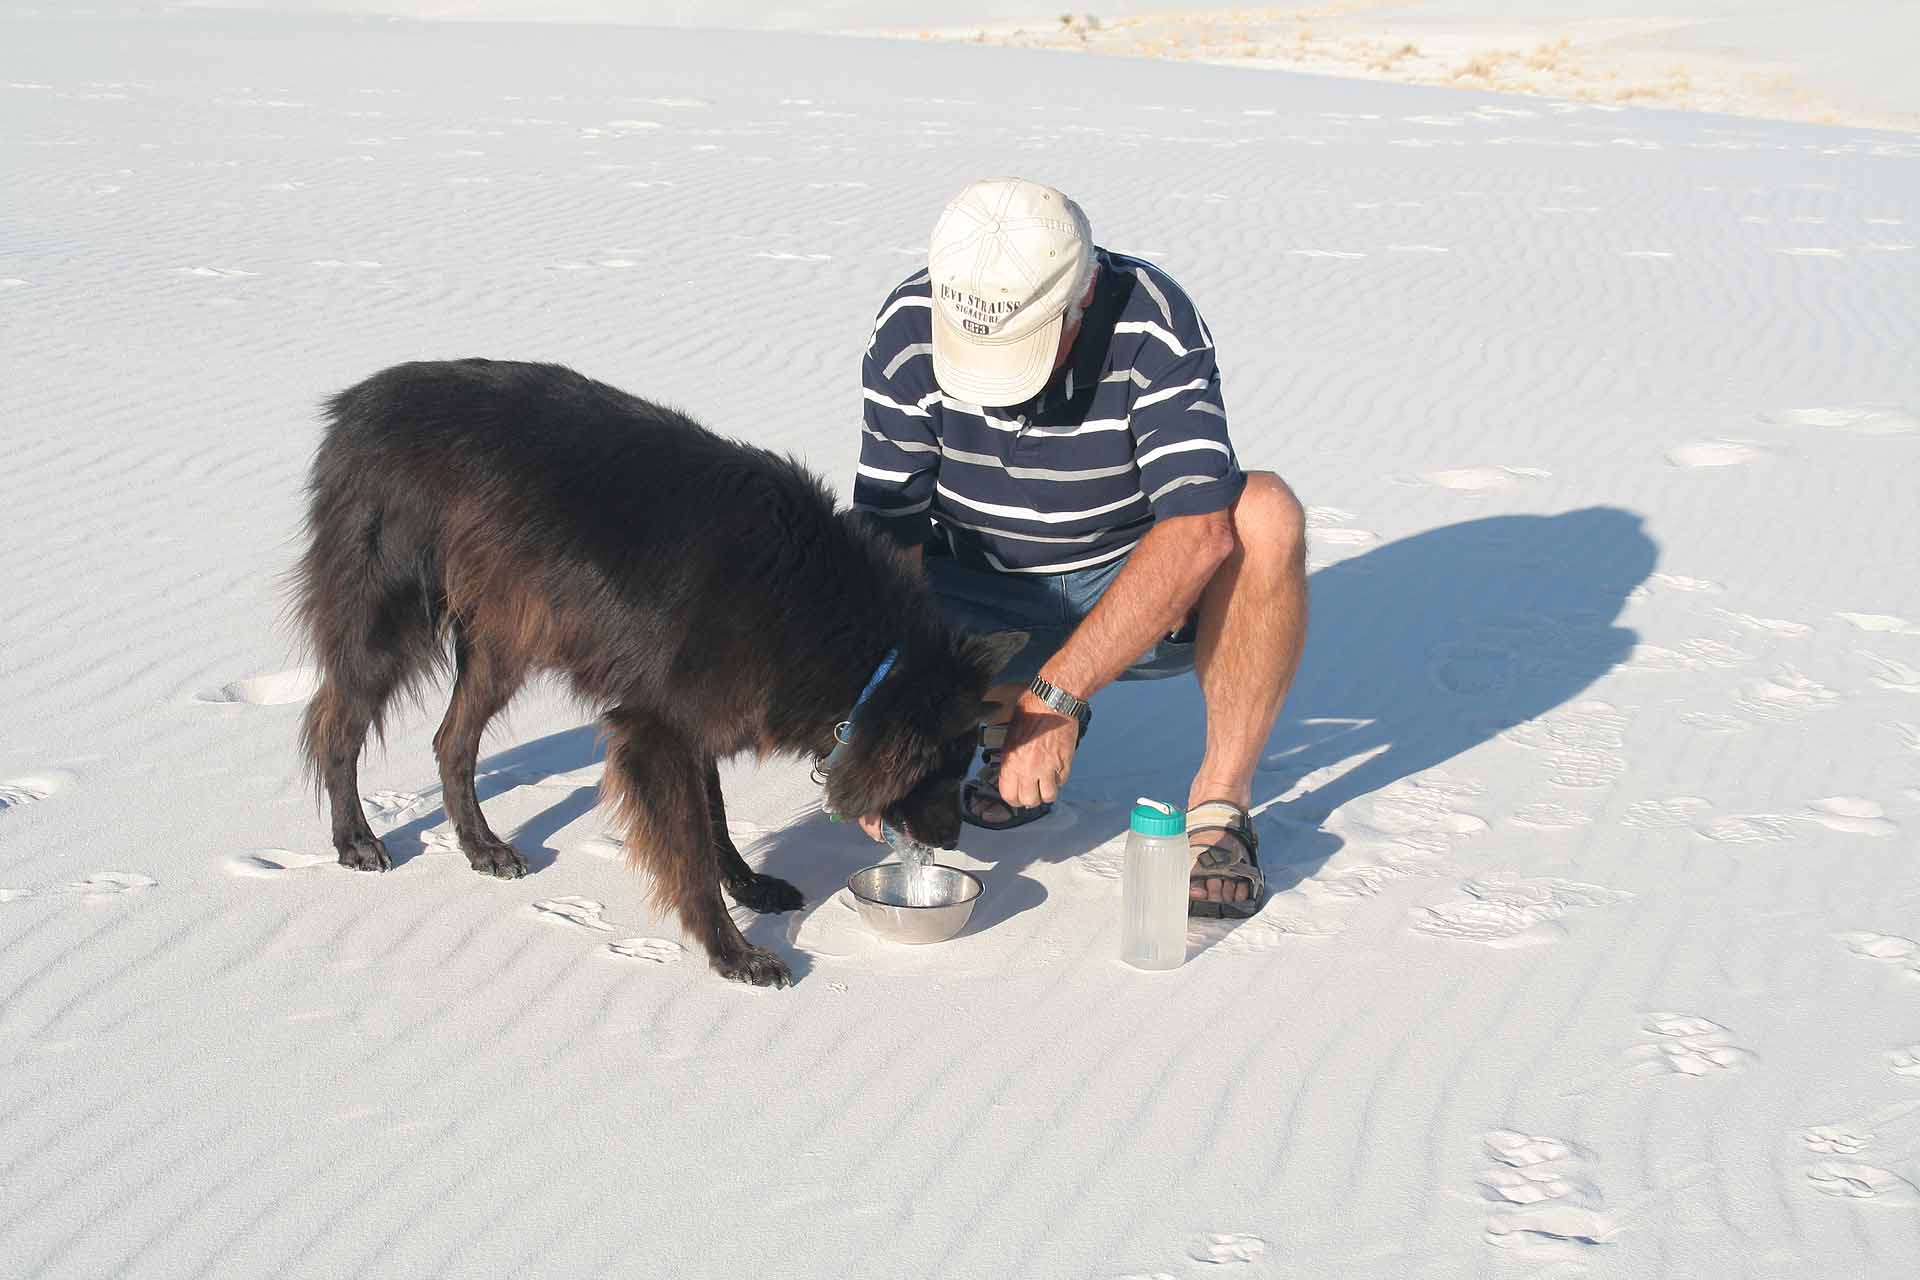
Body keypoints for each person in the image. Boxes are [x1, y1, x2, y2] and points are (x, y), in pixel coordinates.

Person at [852, 177, 1308, 917]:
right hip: (979, 590)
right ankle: (1002, 716)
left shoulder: (1152, 320)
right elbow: (887, 533)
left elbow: (1197, 528)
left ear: (1082, 297)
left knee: (1264, 513)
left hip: (1132, 588)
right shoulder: (909, 322)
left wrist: (1058, 694)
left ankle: (1220, 805)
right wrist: (879, 715)